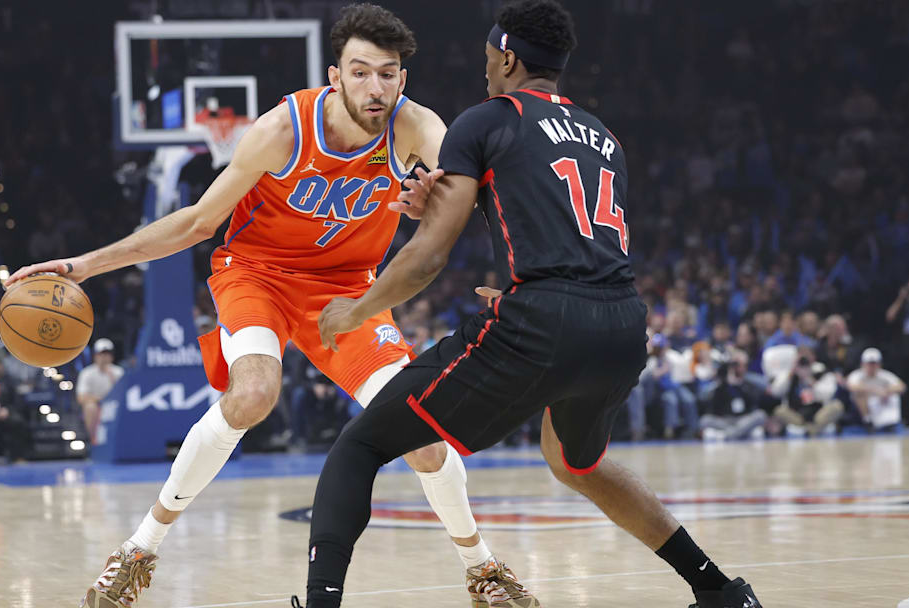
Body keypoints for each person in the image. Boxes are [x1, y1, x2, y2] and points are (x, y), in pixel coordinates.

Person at [7, 5, 531, 607]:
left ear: (402, 80)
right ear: (335, 76)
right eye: (360, 73)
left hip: (348, 289)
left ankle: (484, 570)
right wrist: (83, 266)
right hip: (256, 274)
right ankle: (137, 551)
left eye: (388, 74)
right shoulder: (282, 130)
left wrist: (493, 249)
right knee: (253, 393)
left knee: (422, 432)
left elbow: (483, 191)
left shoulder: (417, 129)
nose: (375, 87)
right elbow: (200, 222)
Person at [302, 2, 762, 606]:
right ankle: (719, 590)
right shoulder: (605, 136)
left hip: (543, 320)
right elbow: (571, 230)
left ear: (508, 57)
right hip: (622, 322)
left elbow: (429, 256)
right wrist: (447, 217)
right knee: (578, 463)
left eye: (490, 58)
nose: (485, 69)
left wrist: (355, 309)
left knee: (360, 445)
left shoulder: (485, 119)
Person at [772, 346, 843, 437]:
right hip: (797, 415)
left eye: (807, 356)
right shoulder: (790, 373)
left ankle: (807, 430)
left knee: (837, 406)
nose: (804, 359)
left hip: (818, 413)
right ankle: (813, 429)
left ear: (813, 357)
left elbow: (828, 395)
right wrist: (791, 374)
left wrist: (811, 381)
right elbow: (776, 392)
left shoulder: (821, 371)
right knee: (779, 410)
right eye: (801, 356)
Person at [75, 338, 124, 444]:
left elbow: (124, 394)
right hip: (97, 406)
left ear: (112, 356)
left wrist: (111, 376)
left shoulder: (119, 372)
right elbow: (81, 397)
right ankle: (94, 439)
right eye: (101, 354)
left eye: (107, 354)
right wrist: (100, 400)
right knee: (90, 407)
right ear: (95, 356)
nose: (104, 357)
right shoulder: (86, 373)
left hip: (115, 406)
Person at [847, 348, 906, 432]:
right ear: (863, 364)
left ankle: (891, 422)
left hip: (879, 403)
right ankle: (867, 421)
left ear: (879, 364)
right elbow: (851, 386)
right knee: (859, 394)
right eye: (869, 364)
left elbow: (901, 386)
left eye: (874, 364)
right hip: (860, 409)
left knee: (894, 395)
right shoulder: (857, 374)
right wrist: (875, 390)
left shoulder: (884, 375)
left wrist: (886, 391)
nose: (871, 367)